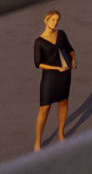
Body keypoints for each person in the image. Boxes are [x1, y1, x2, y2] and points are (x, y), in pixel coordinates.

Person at [30, 12, 75, 148]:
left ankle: (61, 133)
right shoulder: (39, 41)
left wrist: (73, 59)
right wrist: (56, 69)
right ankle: (37, 142)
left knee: (63, 103)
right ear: (46, 20)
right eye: (53, 20)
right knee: (45, 108)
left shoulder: (61, 34)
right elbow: (38, 64)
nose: (55, 22)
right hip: (50, 76)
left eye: (57, 20)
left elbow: (70, 49)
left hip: (65, 74)